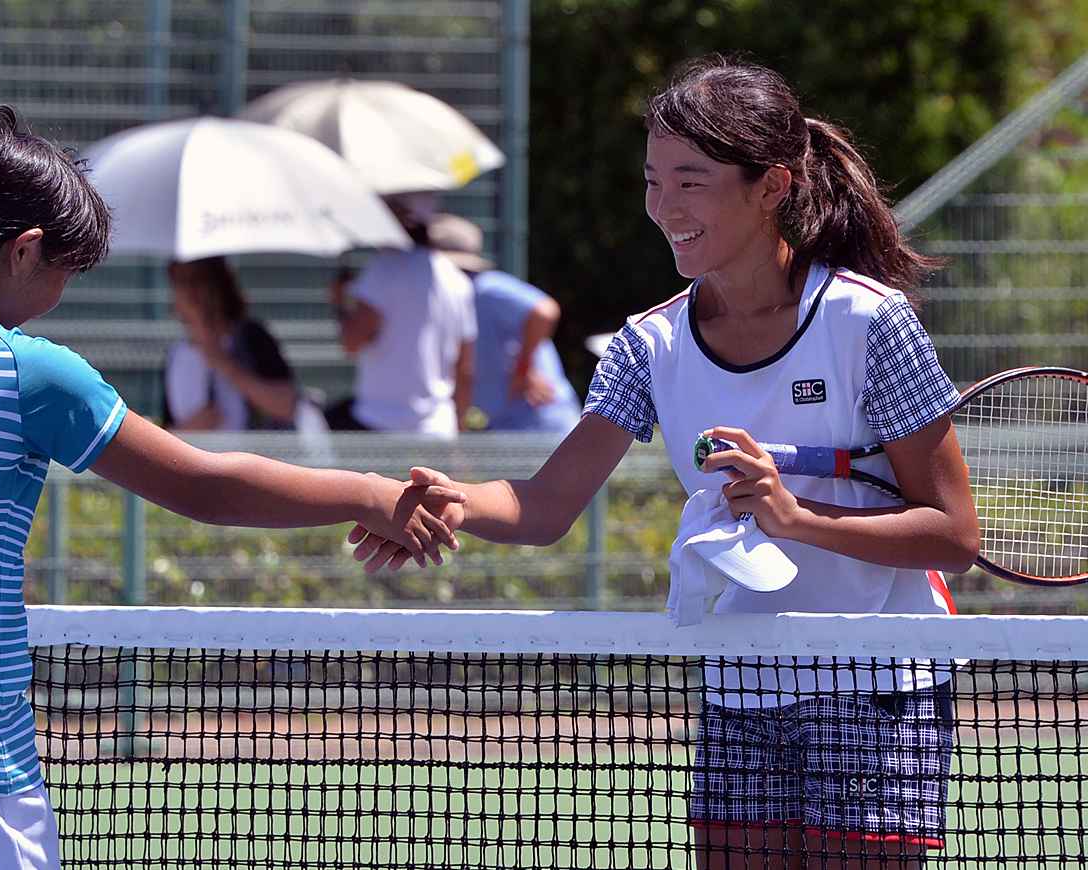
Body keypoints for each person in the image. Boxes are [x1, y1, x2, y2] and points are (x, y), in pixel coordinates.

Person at [347, 55, 980, 869]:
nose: (665, 206)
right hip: (742, 687)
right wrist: (454, 503)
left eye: (691, 181)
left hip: (877, 685)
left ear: (772, 186)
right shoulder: (647, 345)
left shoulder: (870, 323)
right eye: (653, 181)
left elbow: (953, 536)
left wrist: (798, 519)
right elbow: (547, 504)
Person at [0, 105, 461, 870]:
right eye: (65, 272)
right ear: (24, 251)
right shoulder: (27, 372)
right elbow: (206, 486)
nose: (60, 294)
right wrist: (367, 494)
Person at [326, 192, 477, 438]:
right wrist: (459, 428)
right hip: (440, 429)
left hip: (381, 426)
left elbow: (351, 342)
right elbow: (465, 368)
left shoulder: (385, 268)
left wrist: (340, 303)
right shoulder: (457, 280)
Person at [427, 213, 581, 433]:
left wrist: (524, 368)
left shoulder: (487, 287)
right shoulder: (455, 299)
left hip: (541, 424)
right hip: (508, 428)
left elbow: (544, 311)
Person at [163, 256, 296, 431]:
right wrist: (190, 429)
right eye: (181, 282)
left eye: (197, 280)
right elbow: (167, 428)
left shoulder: (250, 337)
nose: (191, 292)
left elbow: (287, 405)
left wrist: (223, 363)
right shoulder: (177, 355)